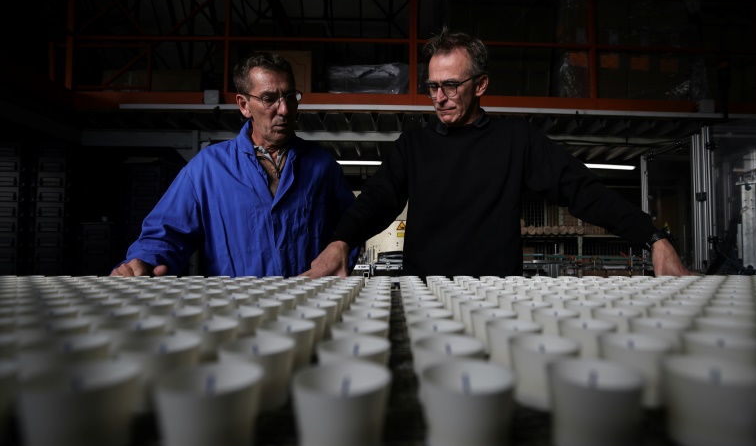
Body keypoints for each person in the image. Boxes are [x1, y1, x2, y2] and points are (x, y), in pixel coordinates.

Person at [302, 28, 693, 279]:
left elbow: (583, 191)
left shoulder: (516, 140)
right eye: (432, 87)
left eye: (451, 85)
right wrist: (341, 241)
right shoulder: (414, 147)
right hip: (424, 297)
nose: (439, 98)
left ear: (481, 84)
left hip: (498, 298)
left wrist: (654, 238)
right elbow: (376, 201)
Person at [111, 51, 358, 278]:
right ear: (244, 105)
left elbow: (352, 229)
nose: (284, 109)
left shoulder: (322, 166)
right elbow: (166, 233)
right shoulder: (208, 169)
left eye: (290, 96)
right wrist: (143, 261)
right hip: (234, 312)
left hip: (308, 306)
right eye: (270, 99)